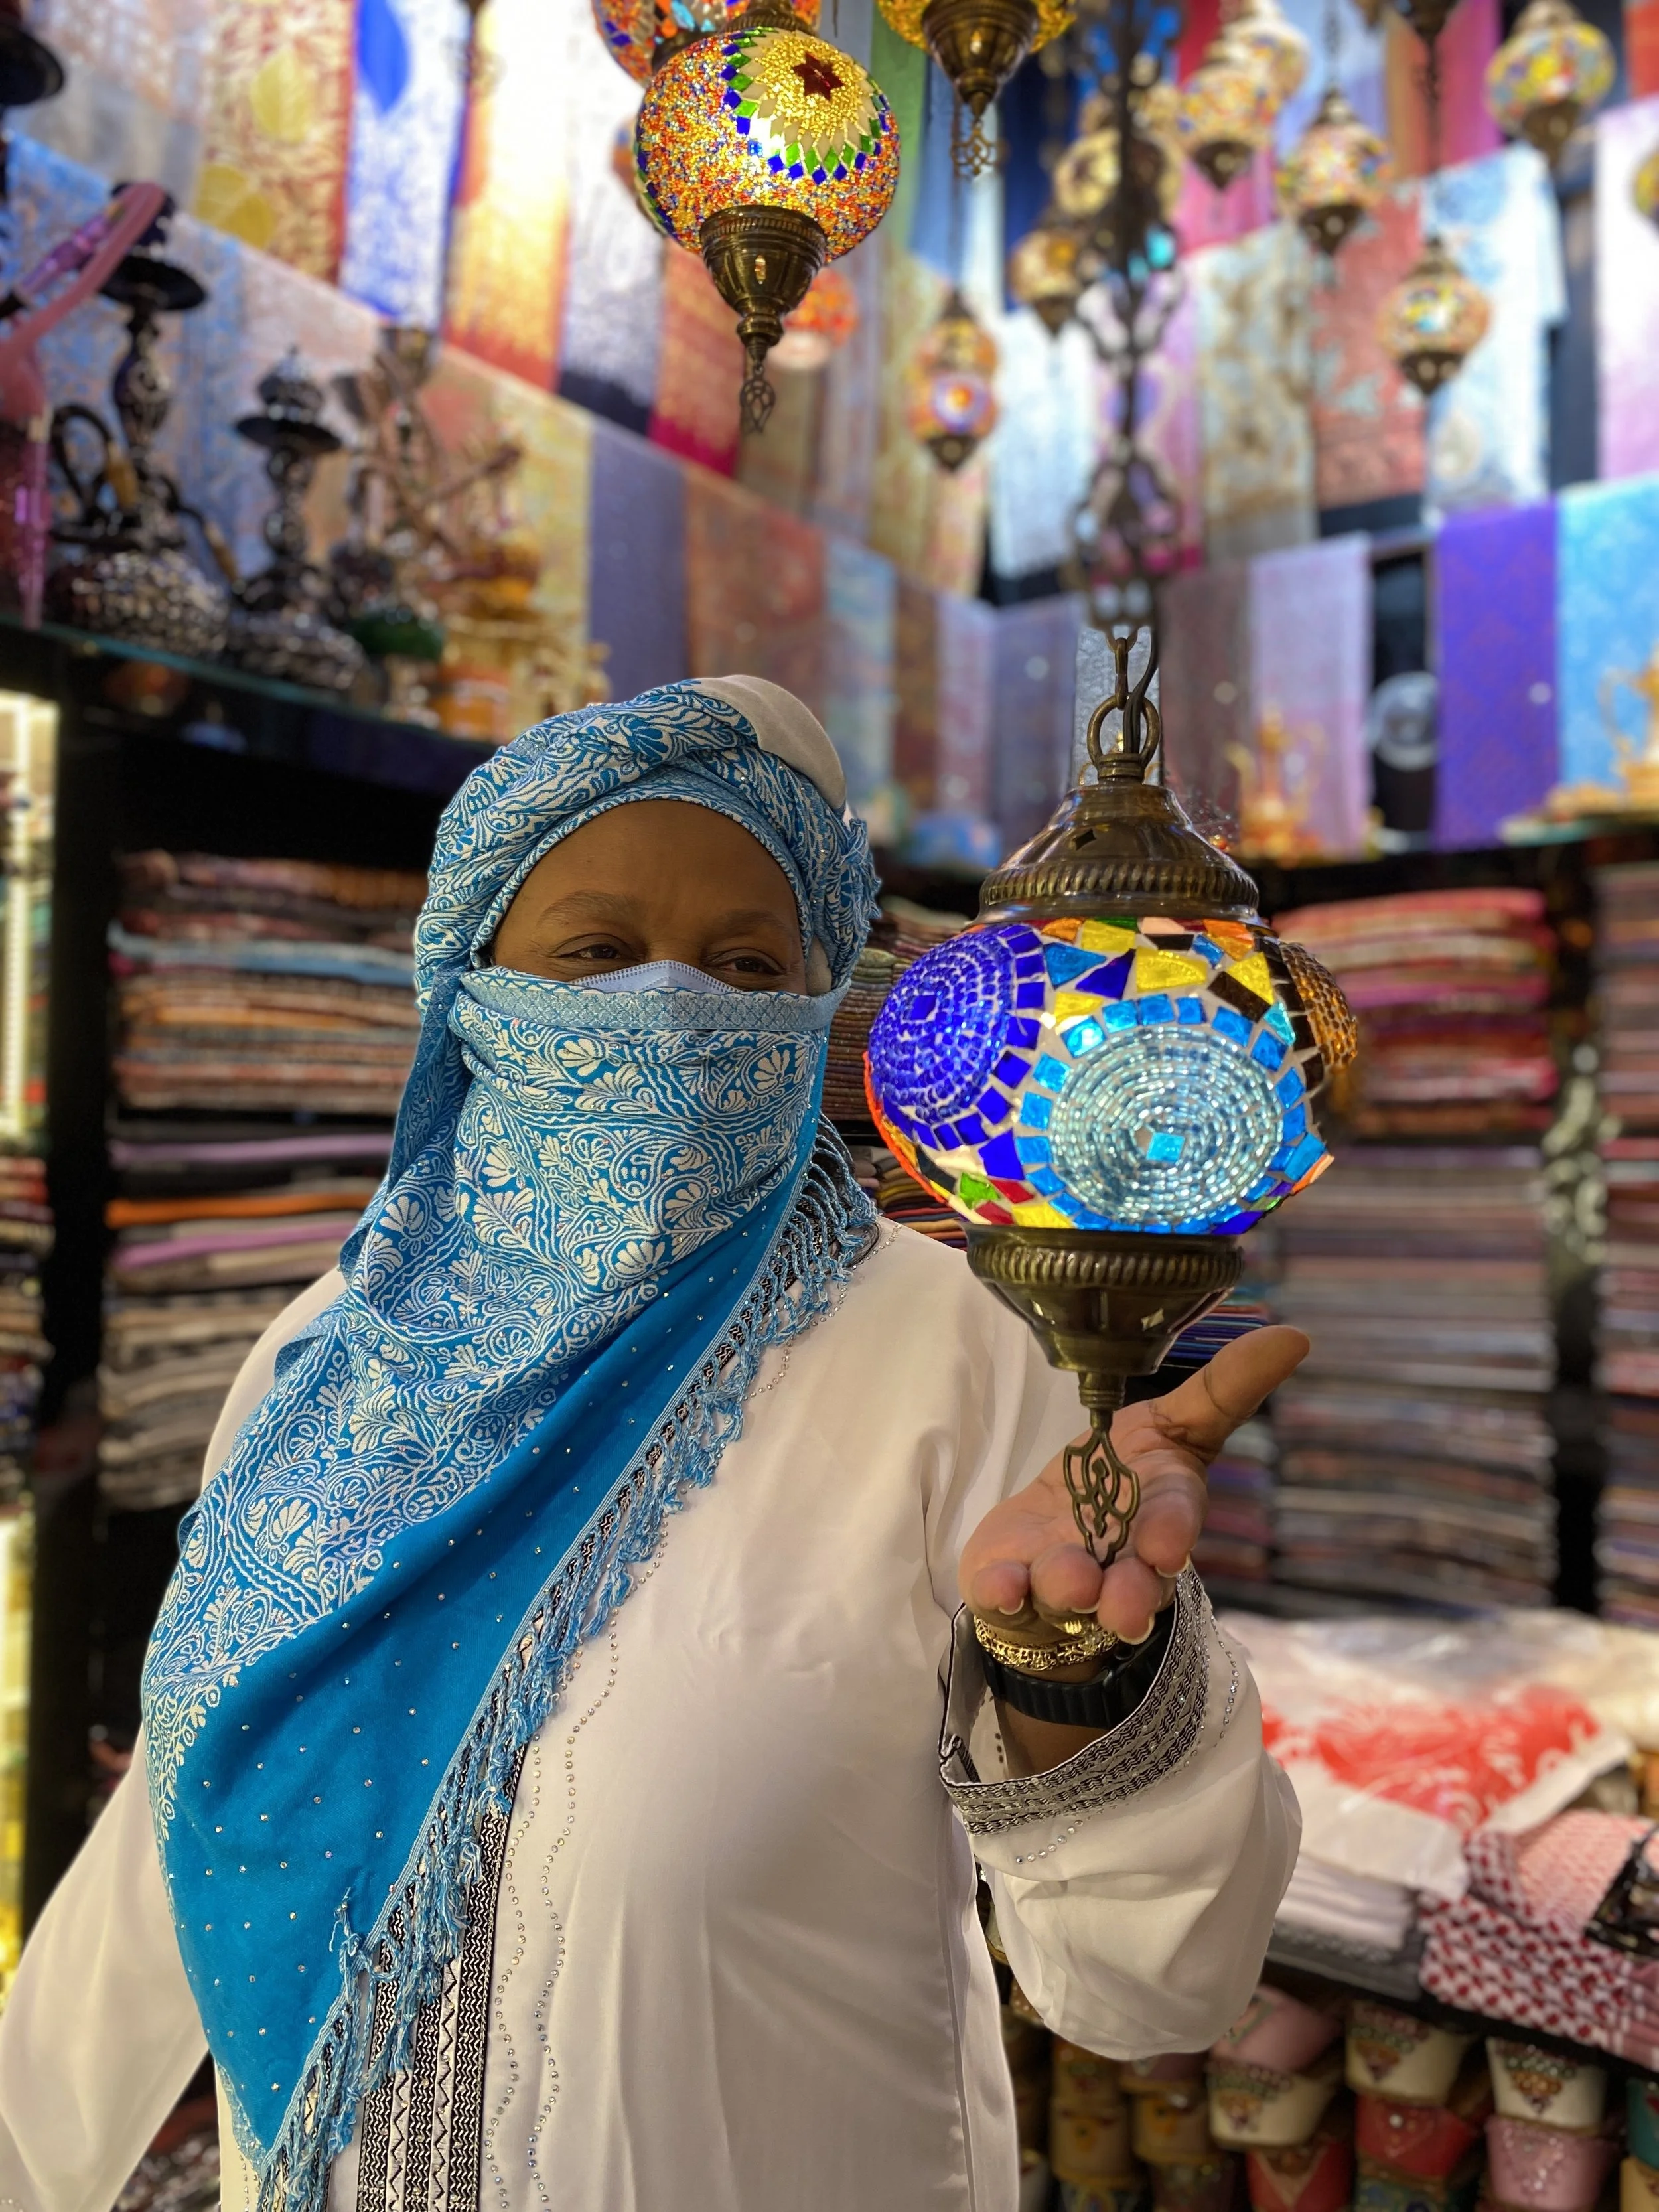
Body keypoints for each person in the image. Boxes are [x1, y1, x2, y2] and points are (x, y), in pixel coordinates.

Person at [0, 678, 1303, 2212]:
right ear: (473, 989)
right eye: (597, 952)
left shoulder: (952, 1356)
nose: (675, 1007)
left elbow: (1144, 1995)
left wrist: (1081, 1683)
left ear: (819, 1005)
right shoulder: (321, 1363)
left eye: (748, 962)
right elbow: (188, 1810)